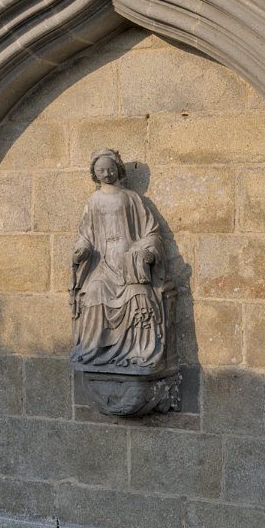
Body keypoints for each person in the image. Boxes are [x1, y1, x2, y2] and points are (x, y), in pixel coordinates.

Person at [69, 148, 168, 371]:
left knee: (139, 294)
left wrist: (148, 252)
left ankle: (138, 353)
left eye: (110, 169)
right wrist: (81, 251)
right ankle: (93, 350)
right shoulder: (93, 201)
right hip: (103, 264)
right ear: (94, 173)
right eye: (101, 170)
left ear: (118, 169)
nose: (106, 174)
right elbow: (85, 236)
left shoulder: (132, 198)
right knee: (94, 291)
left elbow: (151, 232)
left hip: (128, 264)